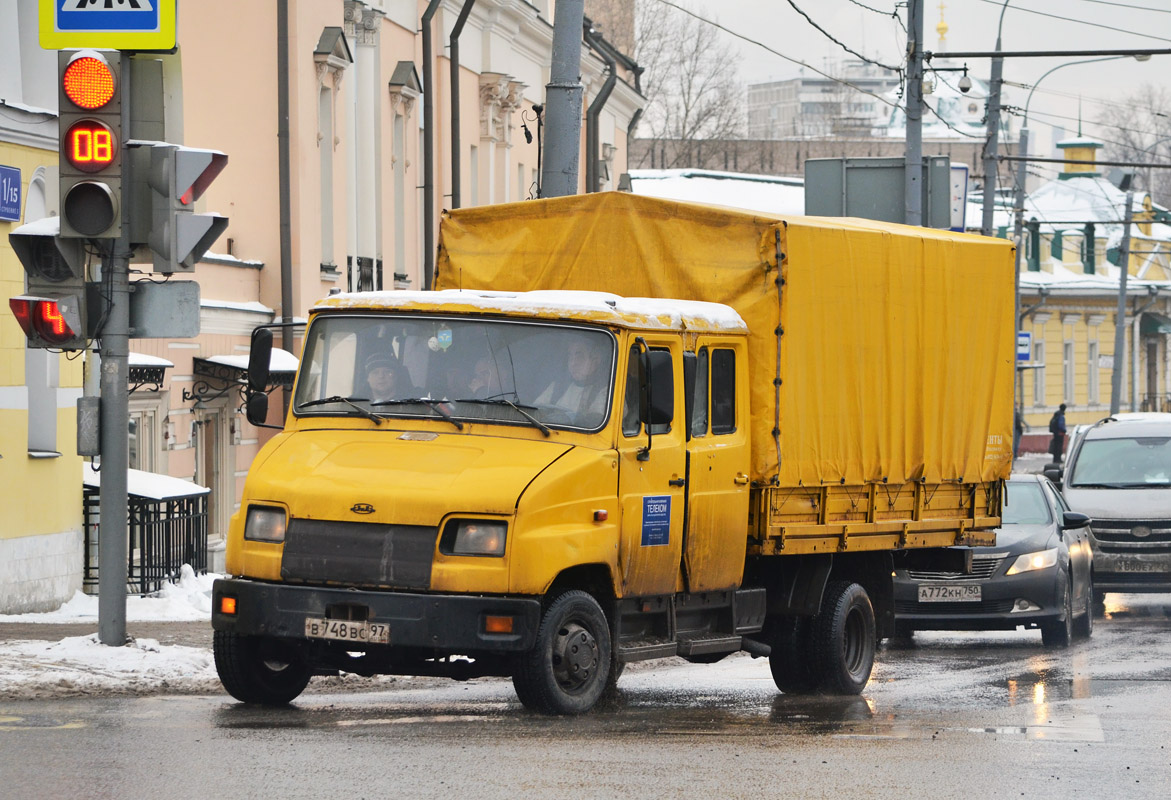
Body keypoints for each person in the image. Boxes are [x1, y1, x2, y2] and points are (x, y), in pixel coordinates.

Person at [536, 339, 607, 423]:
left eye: (579, 356)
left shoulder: (607, 392)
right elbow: (536, 412)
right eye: (570, 356)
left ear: (595, 360)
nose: (573, 363)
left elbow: (594, 423)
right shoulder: (557, 386)